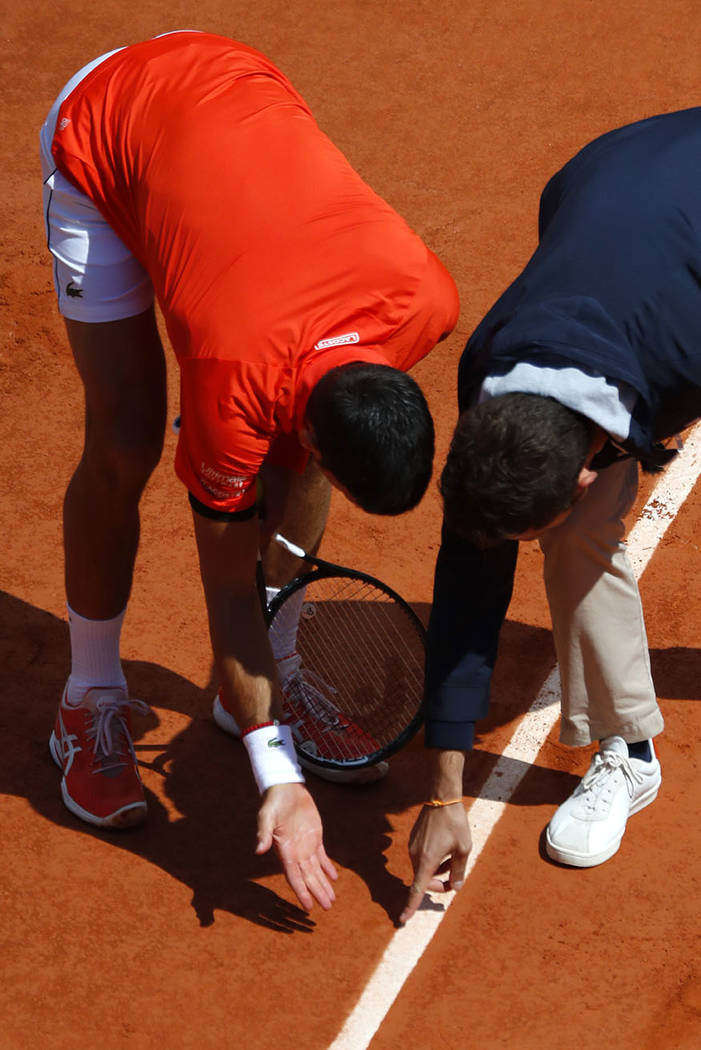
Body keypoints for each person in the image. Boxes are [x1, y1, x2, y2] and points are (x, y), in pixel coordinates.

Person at [40, 30, 459, 914]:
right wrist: (278, 772)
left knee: (297, 452)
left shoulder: (422, 298)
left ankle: (279, 671)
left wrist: (257, 689)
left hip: (234, 84)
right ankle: (88, 698)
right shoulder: (235, 386)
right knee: (124, 440)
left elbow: (317, 430)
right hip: (109, 126)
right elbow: (227, 589)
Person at [400, 106, 701, 924]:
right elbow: (469, 585)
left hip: (671, 230)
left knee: (580, 532)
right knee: (582, 540)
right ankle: (628, 750)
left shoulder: (685, 346)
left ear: (576, 474)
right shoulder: (488, 373)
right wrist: (443, 791)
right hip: (602, 179)